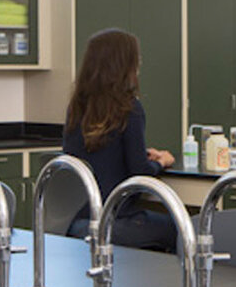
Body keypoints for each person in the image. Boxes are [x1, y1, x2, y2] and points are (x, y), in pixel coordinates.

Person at [62, 28, 177, 250]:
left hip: (75, 223)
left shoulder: (77, 107)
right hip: (113, 223)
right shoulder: (129, 108)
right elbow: (139, 173)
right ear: (125, 65)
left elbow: (99, 156)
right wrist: (160, 162)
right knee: (182, 228)